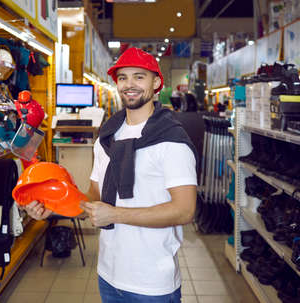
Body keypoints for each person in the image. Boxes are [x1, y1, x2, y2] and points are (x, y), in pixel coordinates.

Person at [24, 47, 197, 303]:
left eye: (139, 76)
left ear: (157, 82)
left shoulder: (172, 141)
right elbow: (94, 197)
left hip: (152, 283)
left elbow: (184, 210)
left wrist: (116, 214)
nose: (130, 84)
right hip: (109, 275)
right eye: (123, 77)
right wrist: (55, 208)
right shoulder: (107, 137)